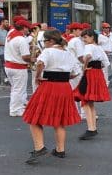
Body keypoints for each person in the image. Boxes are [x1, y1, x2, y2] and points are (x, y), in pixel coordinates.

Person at [22, 30, 81, 164]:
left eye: (44, 41)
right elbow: (77, 72)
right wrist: (65, 75)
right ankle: (60, 150)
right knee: (59, 120)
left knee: (34, 118)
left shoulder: (48, 51)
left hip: (49, 85)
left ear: (51, 41)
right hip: (65, 87)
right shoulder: (68, 53)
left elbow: (40, 63)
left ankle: (39, 147)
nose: (44, 44)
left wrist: (37, 77)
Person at [74, 29, 111, 140]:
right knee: (90, 102)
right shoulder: (99, 48)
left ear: (92, 37)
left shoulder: (89, 47)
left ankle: (91, 128)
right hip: (97, 72)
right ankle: (92, 127)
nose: (84, 40)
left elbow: (88, 56)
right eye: (83, 38)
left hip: (90, 73)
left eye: (85, 37)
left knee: (85, 99)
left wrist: (85, 66)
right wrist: (97, 67)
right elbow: (106, 63)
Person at [4, 19, 34, 117]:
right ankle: (15, 110)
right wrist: (34, 59)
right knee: (19, 89)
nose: (28, 30)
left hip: (9, 65)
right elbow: (25, 56)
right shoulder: (21, 40)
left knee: (15, 89)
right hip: (18, 67)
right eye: (27, 28)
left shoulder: (11, 33)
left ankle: (19, 106)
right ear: (23, 28)